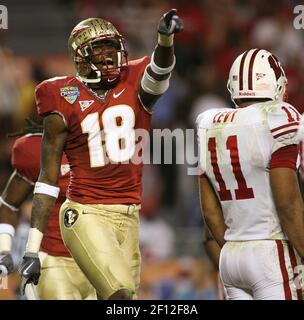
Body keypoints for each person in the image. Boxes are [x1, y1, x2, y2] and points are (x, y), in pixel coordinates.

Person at [19, 10, 183, 300]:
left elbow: (160, 71)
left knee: (124, 297)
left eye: (112, 48)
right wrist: (32, 248)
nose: (108, 56)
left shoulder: (134, 82)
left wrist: (165, 39)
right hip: (86, 212)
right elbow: (47, 179)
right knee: (120, 297)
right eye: (99, 49)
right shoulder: (61, 95)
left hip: (130, 214)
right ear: (81, 57)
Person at [197, 48, 304, 300]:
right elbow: (287, 203)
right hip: (271, 251)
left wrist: (238, 247)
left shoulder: (209, 123)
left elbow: (210, 213)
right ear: (276, 85)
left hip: (231, 257)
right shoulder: (280, 117)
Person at [0, 119, 96, 299]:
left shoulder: (109, 145)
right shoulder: (36, 150)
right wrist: (4, 249)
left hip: (99, 259)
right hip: (55, 259)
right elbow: (8, 204)